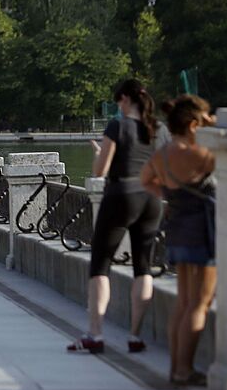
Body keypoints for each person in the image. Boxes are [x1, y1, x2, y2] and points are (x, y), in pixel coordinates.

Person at [67, 79, 170, 355]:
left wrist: (100, 156)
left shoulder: (117, 126)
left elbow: (100, 171)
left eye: (118, 103)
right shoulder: (159, 129)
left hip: (121, 194)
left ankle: (95, 334)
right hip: (151, 199)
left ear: (125, 99)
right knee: (143, 266)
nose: (118, 108)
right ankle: (135, 336)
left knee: (100, 264)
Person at [141, 95, 216, 387]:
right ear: (194, 124)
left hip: (177, 230)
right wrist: (215, 126)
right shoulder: (201, 155)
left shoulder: (162, 155)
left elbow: (146, 179)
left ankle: (176, 367)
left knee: (183, 303)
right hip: (202, 233)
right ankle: (184, 370)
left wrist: (169, 198)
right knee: (199, 304)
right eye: (205, 119)